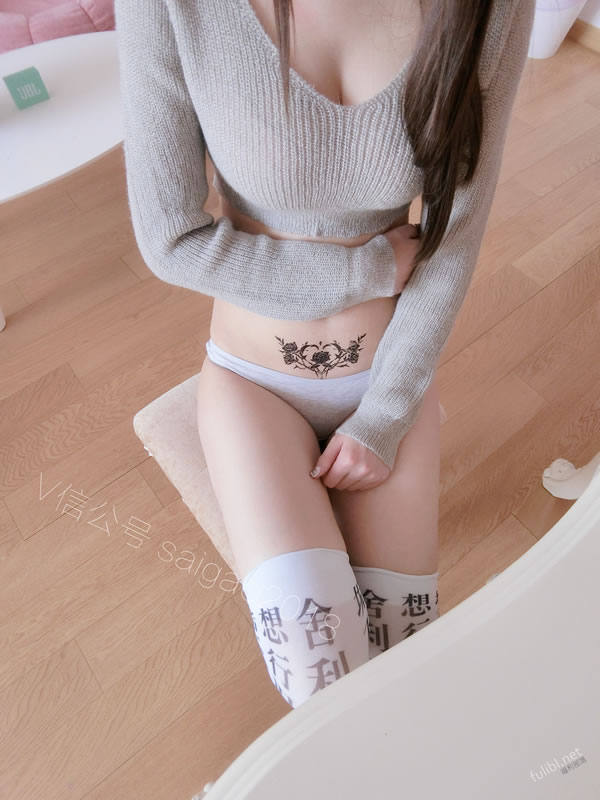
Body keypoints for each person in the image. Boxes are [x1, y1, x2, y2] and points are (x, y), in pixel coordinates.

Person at [115, 0, 535, 709]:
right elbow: (170, 240)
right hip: (255, 386)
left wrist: (386, 414)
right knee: (321, 686)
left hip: (386, 382)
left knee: (407, 666)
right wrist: (363, 272)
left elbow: (456, 232)